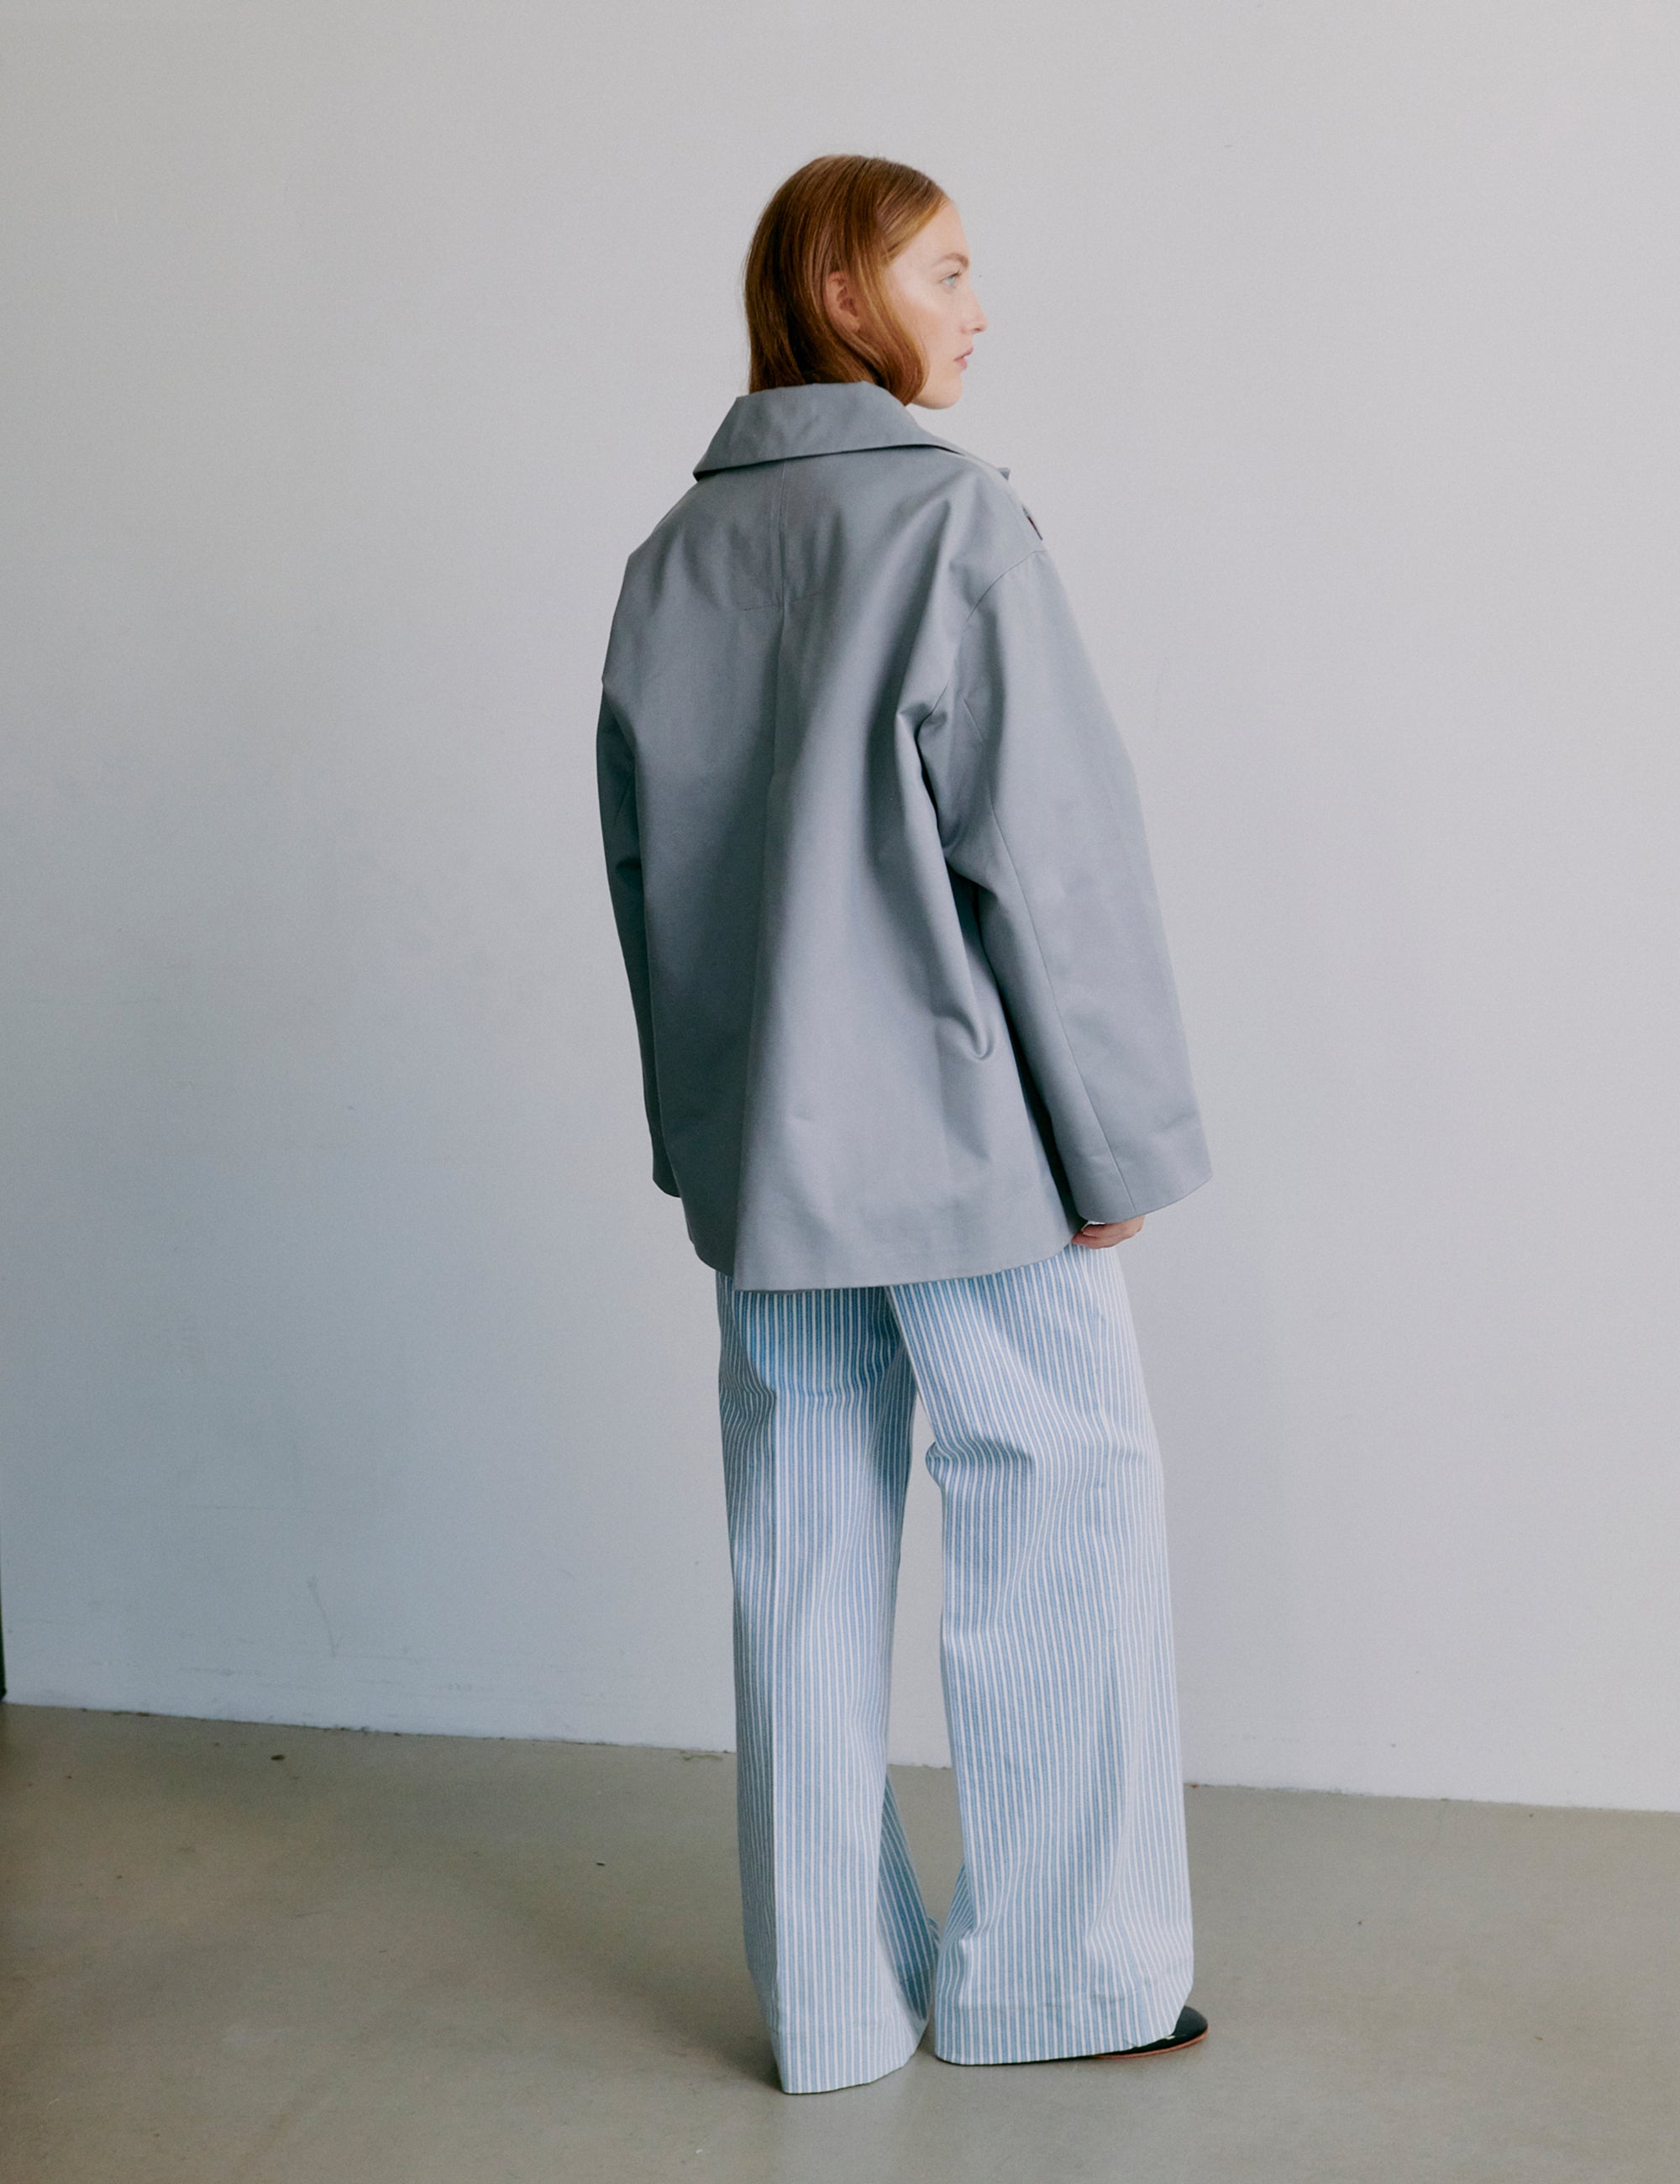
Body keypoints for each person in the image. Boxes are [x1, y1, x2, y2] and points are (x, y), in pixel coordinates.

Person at [596, 153, 1212, 2096]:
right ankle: (1058, 1981)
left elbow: (652, 884)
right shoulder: (952, 523)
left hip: (772, 1169)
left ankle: (837, 2007)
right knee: (1062, 1506)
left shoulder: (669, 560)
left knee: (799, 1545)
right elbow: (1050, 857)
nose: (974, 303)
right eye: (944, 268)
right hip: (965, 1144)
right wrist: (1110, 1146)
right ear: (847, 299)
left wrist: (704, 1143)